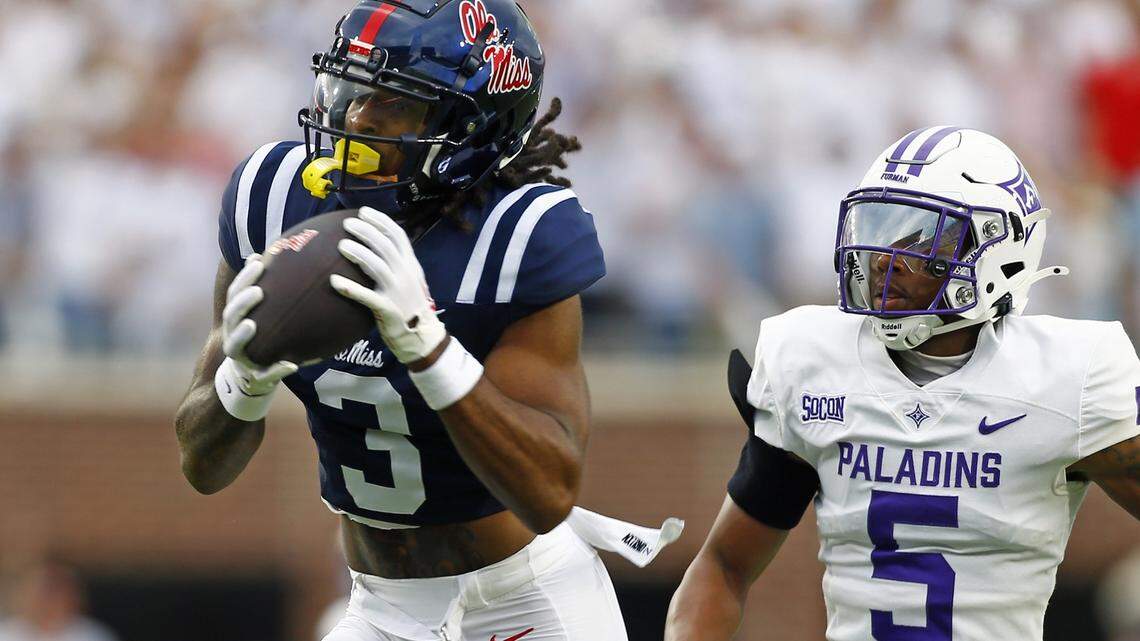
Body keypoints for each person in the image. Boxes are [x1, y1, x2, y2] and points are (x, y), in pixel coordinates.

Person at [174, 2, 680, 640]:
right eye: (355, 92)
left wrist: (431, 353)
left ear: (472, 128)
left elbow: (549, 493)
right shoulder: (275, 199)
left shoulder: (522, 236)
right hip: (380, 607)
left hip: (523, 600)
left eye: (395, 105)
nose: (359, 121)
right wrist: (242, 380)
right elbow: (201, 467)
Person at [665, 127, 1140, 641]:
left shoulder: (1071, 376)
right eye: (880, 225)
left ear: (1000, 251)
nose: (885, 256)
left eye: (919, 234)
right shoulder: (812, 362)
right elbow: (723, 567)